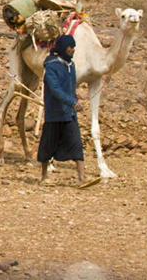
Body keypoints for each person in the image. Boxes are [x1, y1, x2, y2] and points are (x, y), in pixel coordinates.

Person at [37, 35, 96, 188]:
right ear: (64, 48)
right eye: (70, 47)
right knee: (47, 146)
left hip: (69, 114)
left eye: (74, 47)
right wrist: (72, 102)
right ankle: (44, 177)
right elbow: (55, 89)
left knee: (76, 144)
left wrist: (75, 96)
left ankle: (82, 179)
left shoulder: (71, 65)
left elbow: (69, 87)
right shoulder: (51, 66)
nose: (73, 49)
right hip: (54, 114)